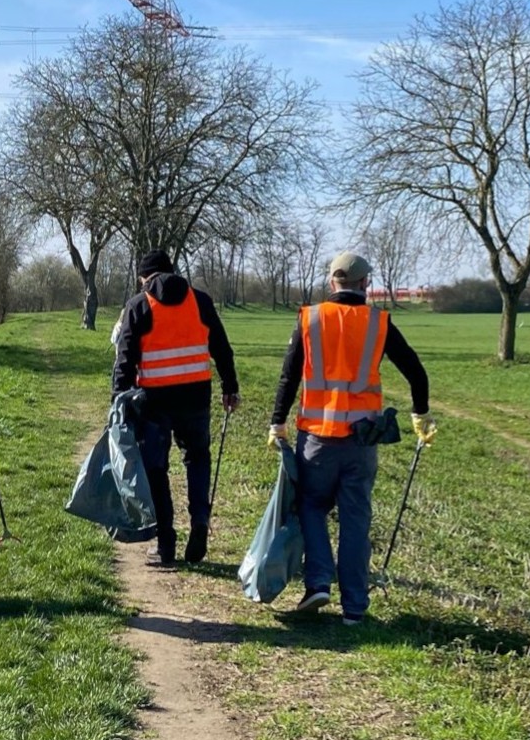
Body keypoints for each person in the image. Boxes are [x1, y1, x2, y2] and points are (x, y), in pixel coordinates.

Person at [267, 251, 435, 622]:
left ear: (332, 282)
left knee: (311, 507)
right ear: (365, 284)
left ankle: (318, 583)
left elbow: (289, 376)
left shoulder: (309, 318)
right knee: (356, 519)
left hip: (316, 438)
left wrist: (277, 422)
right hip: (362, 439)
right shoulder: (379, 322)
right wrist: (420, 414)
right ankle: (355, 608)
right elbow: (415, 371)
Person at [112, 250, 239, 566]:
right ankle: (200, 519)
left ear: (144, 277)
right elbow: (222, 348)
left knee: (156, 470)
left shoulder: (139, 305)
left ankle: (165, 544)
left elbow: (125, 359)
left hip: (153, 401)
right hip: (196, 397)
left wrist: (118, 400)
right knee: (197, 458)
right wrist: (230, 387)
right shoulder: (200, 301)